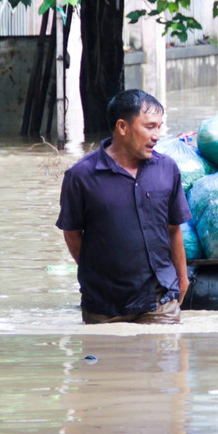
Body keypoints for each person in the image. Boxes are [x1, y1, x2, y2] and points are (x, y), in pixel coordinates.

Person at [57, 89, 192, 323]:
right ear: (122, 127)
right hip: (103, 305)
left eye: (159, 127)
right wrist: (101, 274)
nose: (157, 135)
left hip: (159, 300)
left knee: (166, 356)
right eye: (149, 127)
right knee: (106, 358)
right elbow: (71, 234)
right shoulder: (81, 176)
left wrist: (182, 278)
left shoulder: (167, 169)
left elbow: (173, 229)